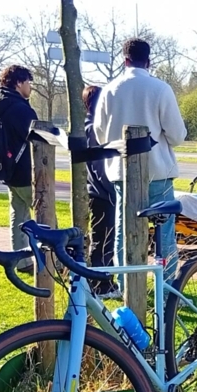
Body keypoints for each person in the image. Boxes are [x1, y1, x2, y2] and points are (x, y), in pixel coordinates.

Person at [94, 37, 187, 287]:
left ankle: (127, 287)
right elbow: (178, 135)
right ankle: (166, 290)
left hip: (122, 172)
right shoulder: (160, 89)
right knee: (164, 235)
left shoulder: (109, 90)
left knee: (124, 232)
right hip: (157, 171)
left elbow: (101, 135)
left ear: (124, 60)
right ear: (149, 60)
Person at [0, 65, 39, 272]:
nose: (30, 87)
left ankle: (20, 259)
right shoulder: (19, 108)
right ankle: (55, 259)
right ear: (19, 83)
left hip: (9, 170)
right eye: (28, 82)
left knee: (18, 214)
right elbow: (38, 135)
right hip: (25, 170)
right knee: (44, 214)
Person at [82, 84, 119, 298]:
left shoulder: (91, 126)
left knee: (104, 238)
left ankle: (103, 282)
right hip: (101, 193)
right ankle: (101, 285)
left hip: (99, 191)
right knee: (102, 239)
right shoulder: (92, 129)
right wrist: (111, 192)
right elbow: (98, 166)